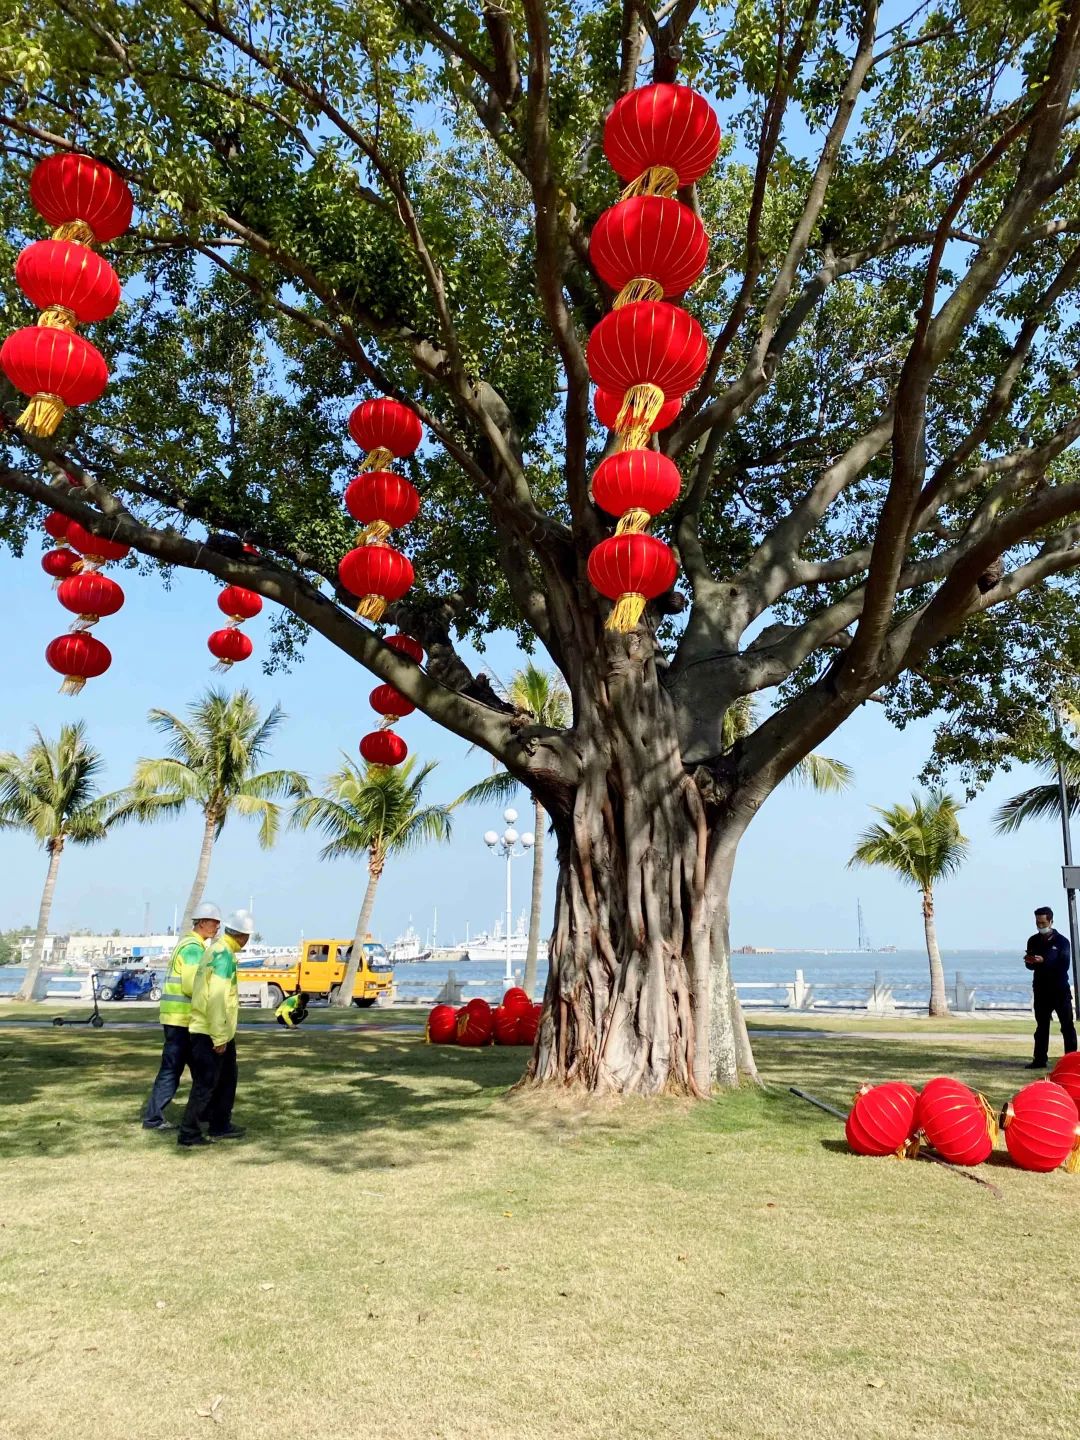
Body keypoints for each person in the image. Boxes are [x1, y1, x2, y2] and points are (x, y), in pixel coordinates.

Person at [178, 908, 253, 1147]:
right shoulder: (223, 956)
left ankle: (220, 1124)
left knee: (226, 1080)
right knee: (206, 1085)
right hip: (210, 1031)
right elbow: (217, 998)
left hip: (216, 1029)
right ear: (243, 936)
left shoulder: (216, 950)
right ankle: (189, 1133)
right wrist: (219, 1037)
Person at [142, 903, 221, 1131]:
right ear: (202, 923)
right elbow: (191, 985)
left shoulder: (186, 945)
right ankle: (155, 1118)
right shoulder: (193, 949)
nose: (217, 927)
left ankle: (204, 1113)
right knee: (177, 1071)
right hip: (183, 1020)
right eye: (215, 923)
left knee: (194, 1070)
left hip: (176, 1018)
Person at [1024, 905, 1078, 1068]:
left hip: (1059, 990)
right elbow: (1030, 966)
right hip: (1041, 989)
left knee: (1067, 1026)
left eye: (1043, 923)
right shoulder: (1033, 940)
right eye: (1037, 923)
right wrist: (1030, 961)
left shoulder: (1062, 942)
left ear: (1051, 921)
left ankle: (1070, 1061)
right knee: (1042, 1026)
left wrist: (1044, 961)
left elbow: (1064, 965)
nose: (1040, 926)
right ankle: (1039, 1059)